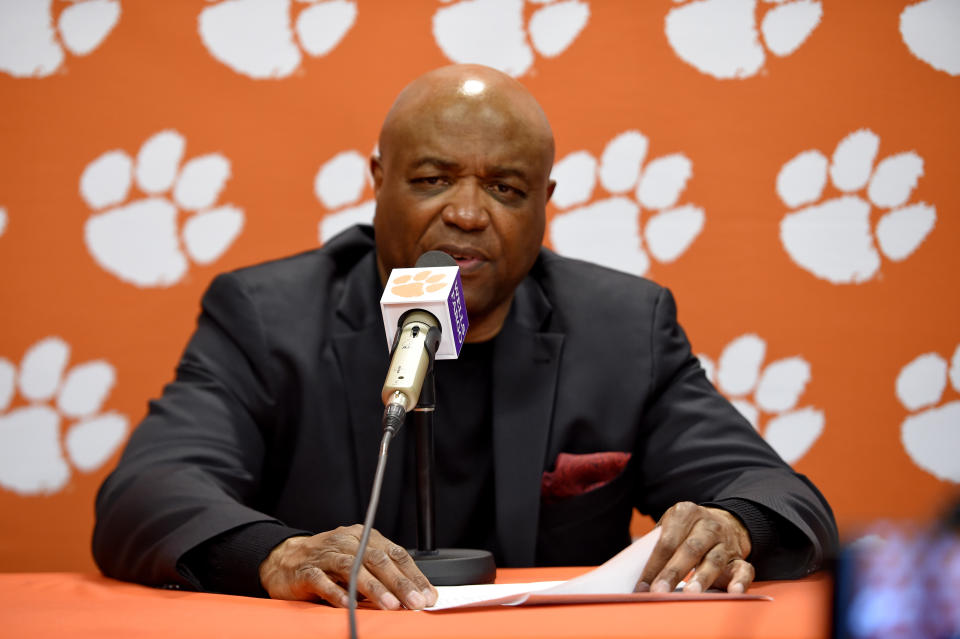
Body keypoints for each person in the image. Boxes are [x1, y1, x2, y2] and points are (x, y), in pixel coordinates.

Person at [92, 64, 838, 611]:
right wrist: (282, 553)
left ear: (545, 205)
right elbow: (149, 492)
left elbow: (781, 495)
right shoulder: (267, 315)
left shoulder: (622, 328)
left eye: (506, 189)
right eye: (431, 180)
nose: (468, 214)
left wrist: (731, 524)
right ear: (378, 179)